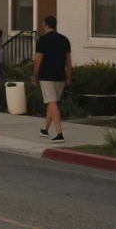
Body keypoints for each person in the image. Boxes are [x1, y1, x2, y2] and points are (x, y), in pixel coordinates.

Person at [32, 15, 71, 143]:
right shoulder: (65, 40)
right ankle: (45, 129)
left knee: (51, 102)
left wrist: (34, 75)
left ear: (45, 25)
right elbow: (69, 62)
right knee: (52, 102)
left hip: (46, 76)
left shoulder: (42, 40)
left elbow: (38, 59)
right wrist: (68, 77)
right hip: (60, 76)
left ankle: (59, 132)